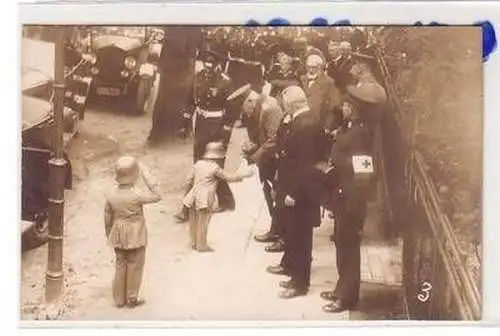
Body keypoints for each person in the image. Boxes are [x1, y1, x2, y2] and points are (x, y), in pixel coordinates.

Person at [266, 86, 322, 299]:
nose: (283, 107)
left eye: (285, 104)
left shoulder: (305, 125)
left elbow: (306, 164)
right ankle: (293, 274)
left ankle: (300, 284)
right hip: (293, 186)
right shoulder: (299, 121)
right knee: (294, 233)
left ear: (292, 104)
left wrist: (295, 193)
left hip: (300, 192)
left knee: (301, 238)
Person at [320, 100, 375, 313]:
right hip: (341, 198)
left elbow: (363, 173)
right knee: (341, 244)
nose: (342, 108)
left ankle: (347, 297)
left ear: (354, 109)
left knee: (349, 248)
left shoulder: (360, 134)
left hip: (351, 201)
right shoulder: (348, 129)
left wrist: (353, 202)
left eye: (346, 105)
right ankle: (340, 288)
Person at [174, 46, 238, 223]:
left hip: (216, 127)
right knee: (199, 165)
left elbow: (232, 111)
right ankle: (226, 201)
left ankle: (187, 209)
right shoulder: (198, 77)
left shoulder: (226, 82)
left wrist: (224, 134)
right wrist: (184, 124)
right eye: (206, 61)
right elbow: (190, 102)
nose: (208, 65)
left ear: (218, 64)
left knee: (211, 167)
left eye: (212, 62)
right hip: (200, 126)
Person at [226, 83, 285, 253]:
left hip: (276, 160)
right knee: (268, 193)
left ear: (251, 101)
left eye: (244, 108)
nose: (244, 113)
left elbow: (274, 140)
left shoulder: (270, 108)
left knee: (278, 196)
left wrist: (256, 154)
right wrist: (250, 146)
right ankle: (276, 230)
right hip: (266, 161)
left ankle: (282, 235)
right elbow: (258, 136)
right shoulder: (253, 110)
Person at [104, 156, 162, 308]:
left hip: (117, 232)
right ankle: (131, 298)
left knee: (120, 264)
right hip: (136, 233)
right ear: (135, 175)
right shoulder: (137, 194)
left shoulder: (111, 194)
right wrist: (147, 174)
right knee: (135, 264)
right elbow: (157, 196)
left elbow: (107, 216)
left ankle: (118, 299)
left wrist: (109, 232)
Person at [183, 142, 254, 252]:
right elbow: (229, 177)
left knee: (193, 219)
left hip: (193, 194)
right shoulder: (215, 168)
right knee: (203, 221)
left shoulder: (198, 164)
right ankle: (202, 245)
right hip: (205, 197)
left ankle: (193, 242)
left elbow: (188, 180)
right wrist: (244, 175)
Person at [300, 54, 343, 160]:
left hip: (318, 127)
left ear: (320, 68)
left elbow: (334, 108)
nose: (311, 70)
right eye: (308, 67)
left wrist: (327, 127)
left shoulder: (329, 82)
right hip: (301, 125)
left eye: (314, 67)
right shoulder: (302, 79)